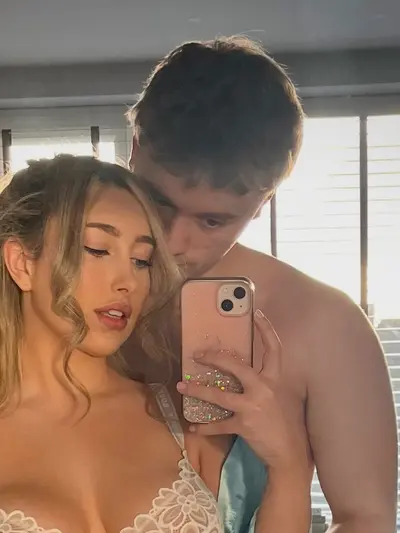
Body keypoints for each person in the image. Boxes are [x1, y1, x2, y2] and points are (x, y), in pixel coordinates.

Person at [125, 36, 398, 532]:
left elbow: (367, 520)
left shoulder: (326, 324)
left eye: (212, 221)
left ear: (263, 202)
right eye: (158, 202)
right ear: (134, 151)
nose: (173, 241)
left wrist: (287, 455)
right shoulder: (54, 287)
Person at [0, 154, 311, 533]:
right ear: (22, 263)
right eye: (98, 249)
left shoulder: (182, 416)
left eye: (142, 260)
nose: (128, 282)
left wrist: (288, 465)